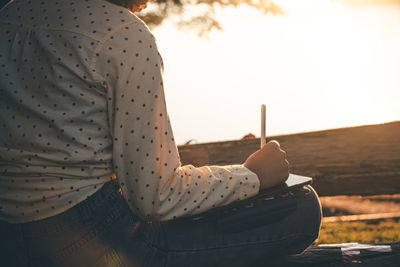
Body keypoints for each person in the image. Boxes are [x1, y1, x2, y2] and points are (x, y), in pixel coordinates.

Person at [0, 0, 322, 266]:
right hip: (95, 238)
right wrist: (252, 176)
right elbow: (155, 199)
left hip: (11, 233)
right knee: (303, 207)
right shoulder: (121, 33)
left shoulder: (12, 13)